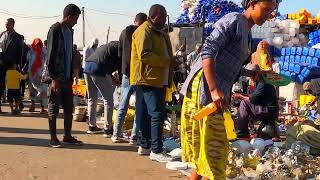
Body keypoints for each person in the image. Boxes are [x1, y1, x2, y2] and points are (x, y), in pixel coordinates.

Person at [179, 0, 278, 179]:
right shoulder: (234, 20)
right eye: (265, 9)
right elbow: (208, 51)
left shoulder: (247, 31)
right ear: (252, 4)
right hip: (205, 87)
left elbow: (228, 63)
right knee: (215, 148)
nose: (268, 15)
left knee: (209, 148)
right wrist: (214, 89)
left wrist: (248, 71)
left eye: (271, 11)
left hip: (215, 87)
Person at [130, 4, 173, 163]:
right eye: (164, 16)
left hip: (154, 79)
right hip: (148, 79)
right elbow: (145, 55)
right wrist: (166, 61)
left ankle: (145, 145)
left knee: (146, 114)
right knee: (156, 114)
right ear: (156, 15)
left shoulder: (159, 33)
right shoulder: (144, 30)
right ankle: (156, 149)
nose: (165, 20)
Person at [42, 4, 83, 148]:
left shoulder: (69, 31)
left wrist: (72, 71)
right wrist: (53, 79)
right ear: (69, 17)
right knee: (53, 107)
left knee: (68, 107)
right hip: (56, 77)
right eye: (76, 18)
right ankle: (53, 138)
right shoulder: (55, 30)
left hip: (67, 77)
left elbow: (69, 54)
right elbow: (50, 56)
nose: (77, 21)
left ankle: (67, 135)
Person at [111, 12, 147, 144]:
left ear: (135, 20)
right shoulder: (143, 32)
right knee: (139, 106)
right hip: (139, 73)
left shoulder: (123, 32)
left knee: (123, 104)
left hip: (126, 72)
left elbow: (120, 53)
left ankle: (116, 134)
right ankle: (134, 136)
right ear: (144, 22)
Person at [83, 41, 121, 137]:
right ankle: (108, 129)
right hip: (98, 69)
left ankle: (92, 126)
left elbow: (106, 63)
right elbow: (121, 67)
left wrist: (113, 78)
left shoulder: (112, 45)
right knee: (108, 100)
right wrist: (119, 80)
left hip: (87, 67)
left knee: (92, 98)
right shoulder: (122, 49)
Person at [232, 64, 279, 139]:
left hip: (268, 111)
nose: (250, 78)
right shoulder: (259, 81)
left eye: (251, 75)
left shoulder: (262, 82)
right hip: (267, 109)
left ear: (256, 73)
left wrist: (240, 96)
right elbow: (255, 97)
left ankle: (242, 134)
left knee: (244, 103)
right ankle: (251, 130)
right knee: (244, 103)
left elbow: (253, 99)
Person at [0, 18, 23, 112]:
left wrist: (17, 64)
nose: (6, 25)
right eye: (5, 24)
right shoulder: (2, 34)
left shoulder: (17, 37)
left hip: (12, 65)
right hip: (1, 64)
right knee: (0, 85)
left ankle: (16, 107)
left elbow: (20, 52)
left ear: (13, 24)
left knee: (13, 87)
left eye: (8, 24)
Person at [27, 38, 48, 113]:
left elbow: (46, 62)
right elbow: (27, 60)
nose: (38, 46)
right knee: (32, 90)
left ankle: (42, 108)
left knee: (42, 91)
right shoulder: (31, 52)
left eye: (39, 45)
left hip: (41, 75)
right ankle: (32, 105)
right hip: (32, 74)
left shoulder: (44, 51)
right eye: (37, 45)